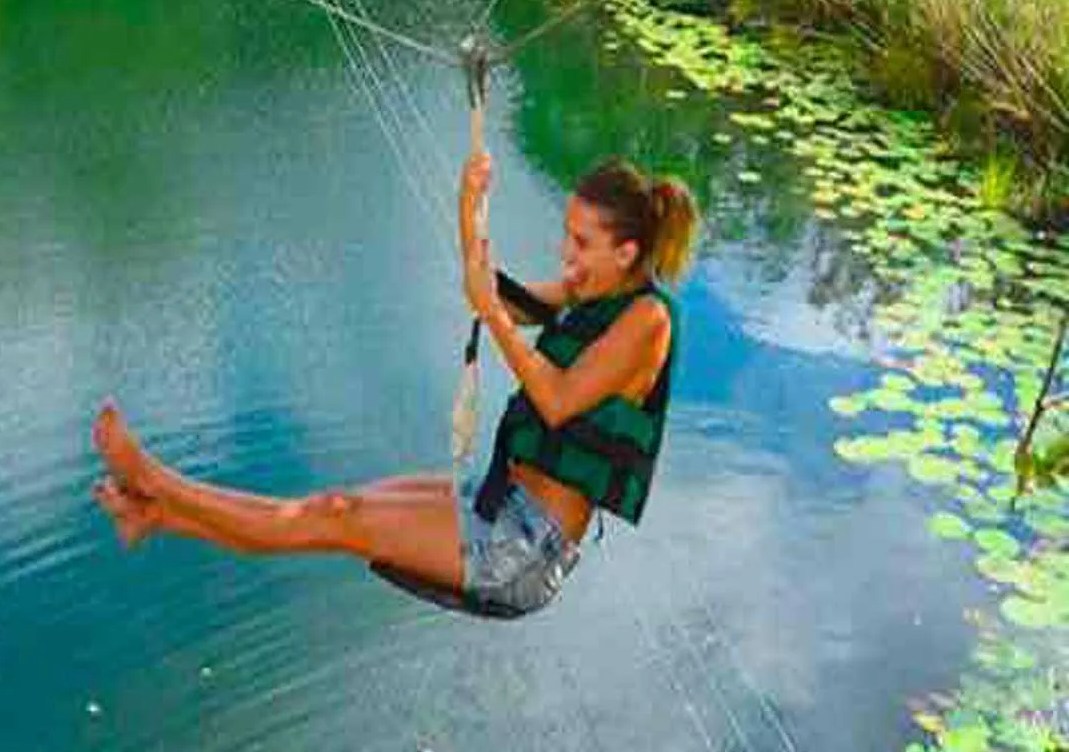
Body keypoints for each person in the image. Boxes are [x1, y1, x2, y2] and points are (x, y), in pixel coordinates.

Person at [91, 154, 698, 619]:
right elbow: (489, 292)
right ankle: (155, 517)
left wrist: (491, 313)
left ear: (627, 253)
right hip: (496, 500)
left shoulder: (649, 321)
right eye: (566, 234)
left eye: (582, 243)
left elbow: (560, 401)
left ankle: (156, 481)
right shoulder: (591, 290)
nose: (566, 254)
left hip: (521, 551)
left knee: (333, 516)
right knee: (336, 507)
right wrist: (469, 208)